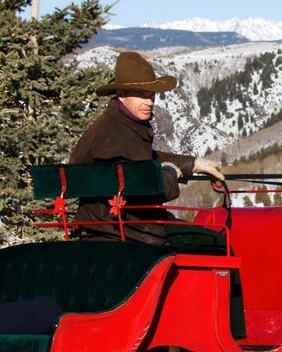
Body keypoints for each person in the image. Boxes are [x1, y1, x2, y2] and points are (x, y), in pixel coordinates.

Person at [67, 51, 225, 244]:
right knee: (217, 242)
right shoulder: (115, 137)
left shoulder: (119, 124)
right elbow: (145, 189)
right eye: (141, 95)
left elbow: (146, 159)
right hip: (129, 230)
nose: (149, 102)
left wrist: (191, 164)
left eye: (152, 95)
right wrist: (170, 173)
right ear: (121, 94)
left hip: (113, 224)